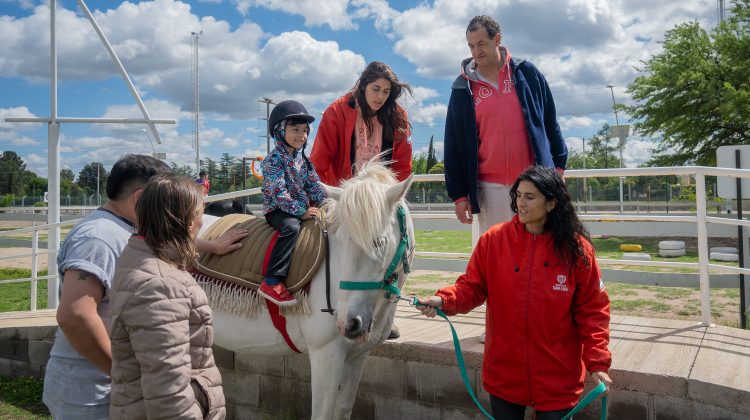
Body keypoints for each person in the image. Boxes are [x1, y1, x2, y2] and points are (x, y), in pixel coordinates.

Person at [43, 154, 246, 419]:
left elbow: (161, 241)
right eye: (163, 200)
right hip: (94, 395)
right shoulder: (99, 237)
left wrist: (211, 246)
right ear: (140, 199)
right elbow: (75, 316)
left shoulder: (124, 229)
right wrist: (122, 374)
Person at [417, 166, 612, 420]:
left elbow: (593, 311)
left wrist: (598, 364)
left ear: (552, 203)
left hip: (557, 378)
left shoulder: (578, 250)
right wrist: (444, 299)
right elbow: (472, 286)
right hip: (505, 374)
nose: (520, 203)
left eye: (530, 197)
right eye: (518, 195)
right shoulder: (494, 241)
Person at [444, 15, 568, 245]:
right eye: (471, 46)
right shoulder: (462, 87)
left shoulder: (527, 73)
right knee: (496, 257)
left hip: (534, 184)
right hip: (489, 190)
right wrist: (459, 195)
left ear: (497, 39)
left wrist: (559, 166)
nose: (476, 52)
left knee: (540, 251)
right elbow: (453, 144)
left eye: (481, 44)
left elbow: (550, 120)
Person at [109, 175, 225, 419]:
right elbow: (169, 395)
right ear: (189, 221)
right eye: (200, 212)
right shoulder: (160, 286)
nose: (203, 220)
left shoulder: (143, 262)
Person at [259, 100, 326, 306]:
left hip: (299, 207)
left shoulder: (302, 160)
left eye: (305, 130)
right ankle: (272, 280)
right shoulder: (273, 161)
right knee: (291, 227)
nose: (301, 135)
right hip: (278, 209)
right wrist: (300, 211)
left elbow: (313, 184)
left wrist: (326, 202)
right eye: (295, 129)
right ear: (280, 131)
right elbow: (278, 193)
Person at [311, 61, 413, 185]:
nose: (380, 96)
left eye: (386, 91)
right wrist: (316, 200)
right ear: (363, 86)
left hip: (382, 196)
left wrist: (395, 198)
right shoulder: (336, 112)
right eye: (376, 89)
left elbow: (403, 165)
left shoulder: (398, 116)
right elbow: (319, 161)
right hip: (345, 194)